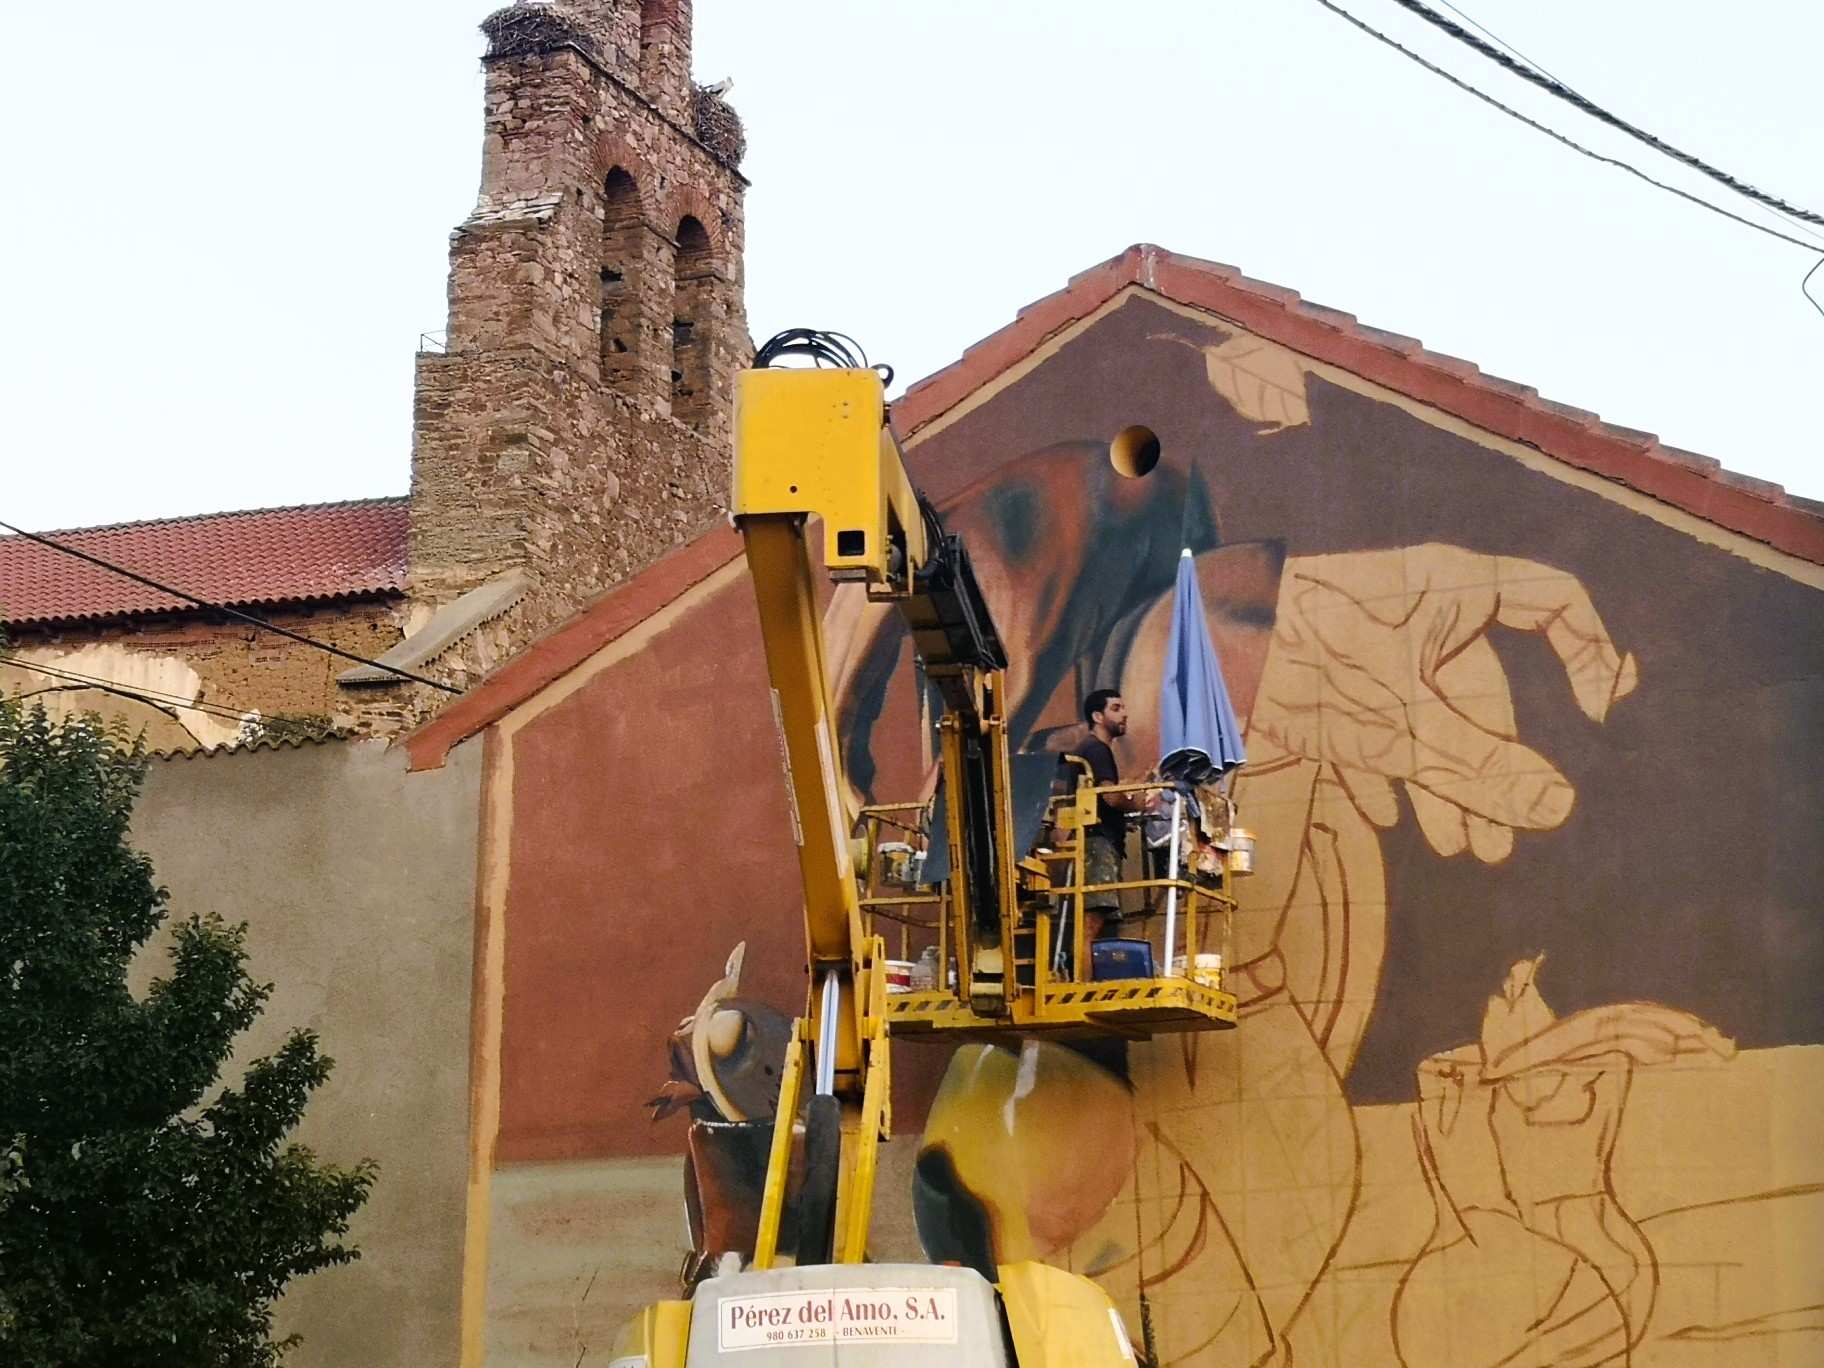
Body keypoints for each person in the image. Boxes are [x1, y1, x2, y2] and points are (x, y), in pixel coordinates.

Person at [1060, 689, 1156, 942]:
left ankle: (1083, 975)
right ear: (1097, 716)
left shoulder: (1091, 749)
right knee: (1092, 923)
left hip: (1095, 841)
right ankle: (1082, 980)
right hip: (1097, 842)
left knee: (1095, 924)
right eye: (1116, 708)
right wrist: (1139, 802)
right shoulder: (1097, 749)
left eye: (1123, 707)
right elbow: (1110, 797)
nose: (1124, 714)